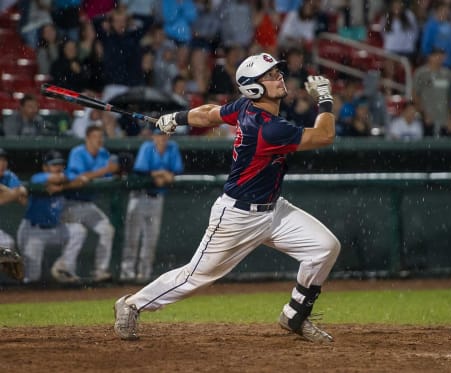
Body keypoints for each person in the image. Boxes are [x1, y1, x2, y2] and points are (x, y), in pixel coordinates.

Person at [113, 53, 341, 343]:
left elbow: (209, 113)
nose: (279, 77)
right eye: (270, 76)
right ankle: (132, 304)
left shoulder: (247, 108)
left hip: (274, 211)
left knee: (324, 247)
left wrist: (178, 117)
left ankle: (295, 314)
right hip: (238, 217)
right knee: (193, 278)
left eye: (277, 72)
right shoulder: (268, 128)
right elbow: (325, 135)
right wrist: (324, 97)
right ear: (254, 87)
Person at [51, 125, 119, 283]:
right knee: (78, 232)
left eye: (101, 137)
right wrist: (104, 171)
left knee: (107, 230)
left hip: (88, 204)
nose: (99, 140)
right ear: (88, 138)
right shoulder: (78, 152)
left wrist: (115, 171)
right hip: (71, 202)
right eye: (96, 137)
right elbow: (79, 178)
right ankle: (64, 267)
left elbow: (108, 175)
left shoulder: (103, 153)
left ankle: (100, 270)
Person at [120, 128, 184, 283]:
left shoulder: (172, 147)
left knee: (151, 239)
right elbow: (141, 171)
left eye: (164, 134)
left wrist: (164, 175)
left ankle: (144, 274)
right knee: (132, 238)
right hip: (139, 195)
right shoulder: (147, 147)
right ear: (153, 136)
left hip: (157, 198)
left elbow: (177, 170)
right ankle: (127, 274)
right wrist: (162, 174)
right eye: (159, 134)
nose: (162, 137)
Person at [17, 150, 74, 283]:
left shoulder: (65, 177)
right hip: (33, 231)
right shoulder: (37, 178)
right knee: (32, 278)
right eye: (54, 165)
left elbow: (74, 177)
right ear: (45, 167)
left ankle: (62, 267)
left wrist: (62, 184)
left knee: (78, 231)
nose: (58, 168)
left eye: (60, 164)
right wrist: (61, 183)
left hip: (54, 229)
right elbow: (50, 179)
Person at [413, 47, 451, 137]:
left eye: (441, 56)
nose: (438, 58)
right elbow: (415, 95)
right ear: (429, 57)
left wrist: (450, 118)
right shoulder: (421, 73)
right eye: (436, 56)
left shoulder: (448, 74)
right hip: (426, 119)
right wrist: (423, 114)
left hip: (444, 119)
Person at [0, 149, 28, 251]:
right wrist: (17, 191)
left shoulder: (9, 176)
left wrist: (12, 192)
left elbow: (23, 201)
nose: (2, 164)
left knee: (7, 243)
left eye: (4, 160)